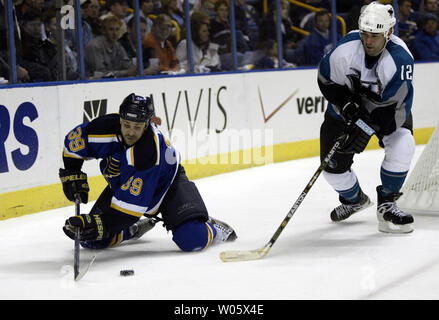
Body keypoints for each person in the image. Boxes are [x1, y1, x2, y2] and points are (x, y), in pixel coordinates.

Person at [59, 93, 237, 251]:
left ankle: (209, 226)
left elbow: (128, 212)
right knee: (92, 241)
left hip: (167, 187)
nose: (130, 132)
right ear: (120, 119)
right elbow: (74, 143)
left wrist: (103, 224)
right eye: (126, 125)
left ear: (147, 124)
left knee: (192, 239)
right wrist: (71, 172)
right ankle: (132, 230)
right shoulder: (103, 129)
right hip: (124, 187)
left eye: (137, 127)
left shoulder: (149, 154)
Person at [317, 2, 415, 233]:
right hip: (344, 112)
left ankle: (388, 203)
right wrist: (346, 104)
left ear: (389, 33)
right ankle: (355, 200)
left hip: (387, 113)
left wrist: (364, 126)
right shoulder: (345, 50)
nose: (368, 41)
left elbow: (393, 110)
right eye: (365, 34)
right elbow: (326, 81)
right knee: (331, 169)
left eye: (375, 35)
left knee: (403, 144)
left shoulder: (400, 60)